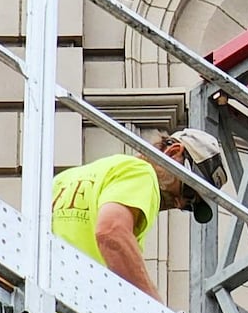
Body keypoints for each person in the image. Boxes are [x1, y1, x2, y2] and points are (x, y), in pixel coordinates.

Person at [50, 128, 227, 301]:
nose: (179, 204)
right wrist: (154, 310)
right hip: (74, 310)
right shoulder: (143, 173)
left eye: (190, 206)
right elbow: (111, 232)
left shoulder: (66, 179)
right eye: (188, 192)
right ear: (173, 153)